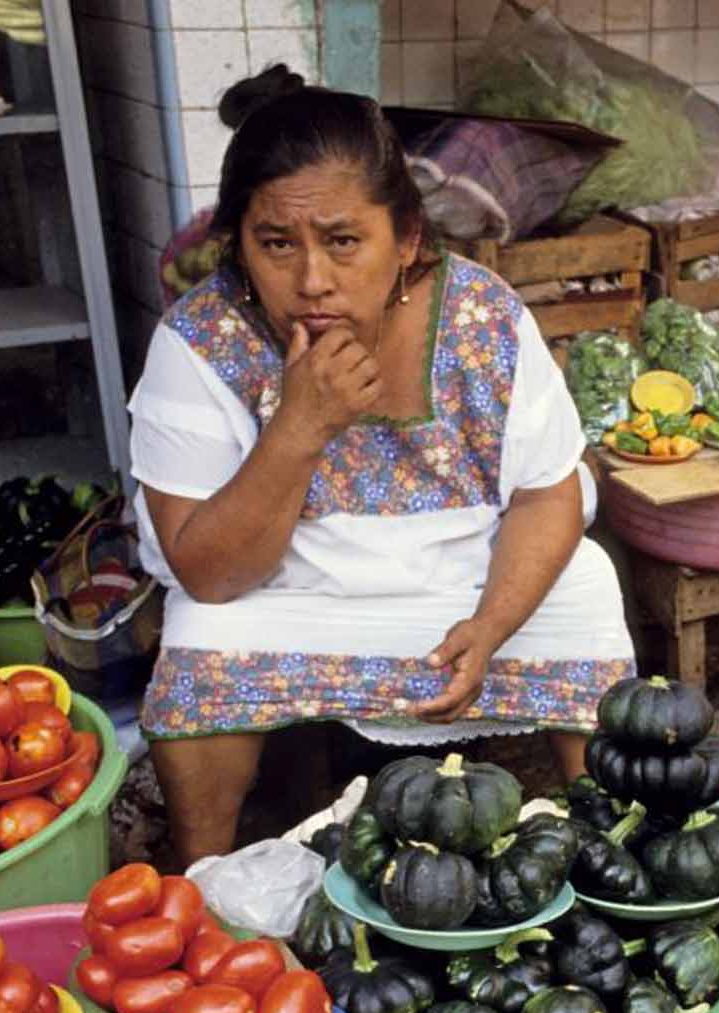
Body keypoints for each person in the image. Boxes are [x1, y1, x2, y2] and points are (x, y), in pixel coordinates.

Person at [128, 70, 636, 866]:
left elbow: (548, 494)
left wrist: (491, 626)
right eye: (275, 244)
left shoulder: (483, 317)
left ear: (405, 240)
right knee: (200, 635)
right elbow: (208, 572)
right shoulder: (200, 341)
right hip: (287, 584)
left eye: (342, 241)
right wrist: (297, 429)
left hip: (468, 576)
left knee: (586, 586)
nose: (311, 281)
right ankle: (201, 878)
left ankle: (611, 850)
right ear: (239, 246)